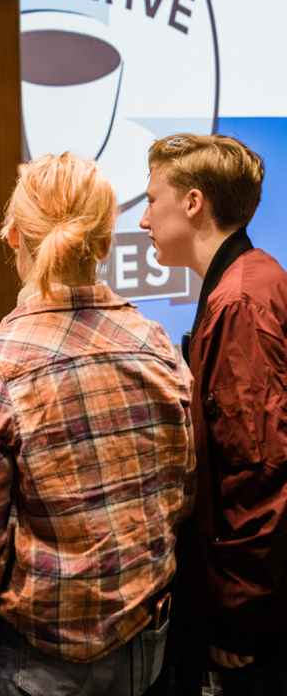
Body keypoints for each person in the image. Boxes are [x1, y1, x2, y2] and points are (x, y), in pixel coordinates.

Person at [0, 152, 195, 696]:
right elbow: (181, 491)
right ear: (105, 243)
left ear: (13, 236)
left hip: (44, 655)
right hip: (147, 644)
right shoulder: (155, 344)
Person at [140, 133, 287, 696]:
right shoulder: (247, 279)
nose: (146, 218)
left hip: (250, 619)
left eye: (154, 200)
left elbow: (258, 471)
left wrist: (240, 618)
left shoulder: (240, 301)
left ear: (194, 202)